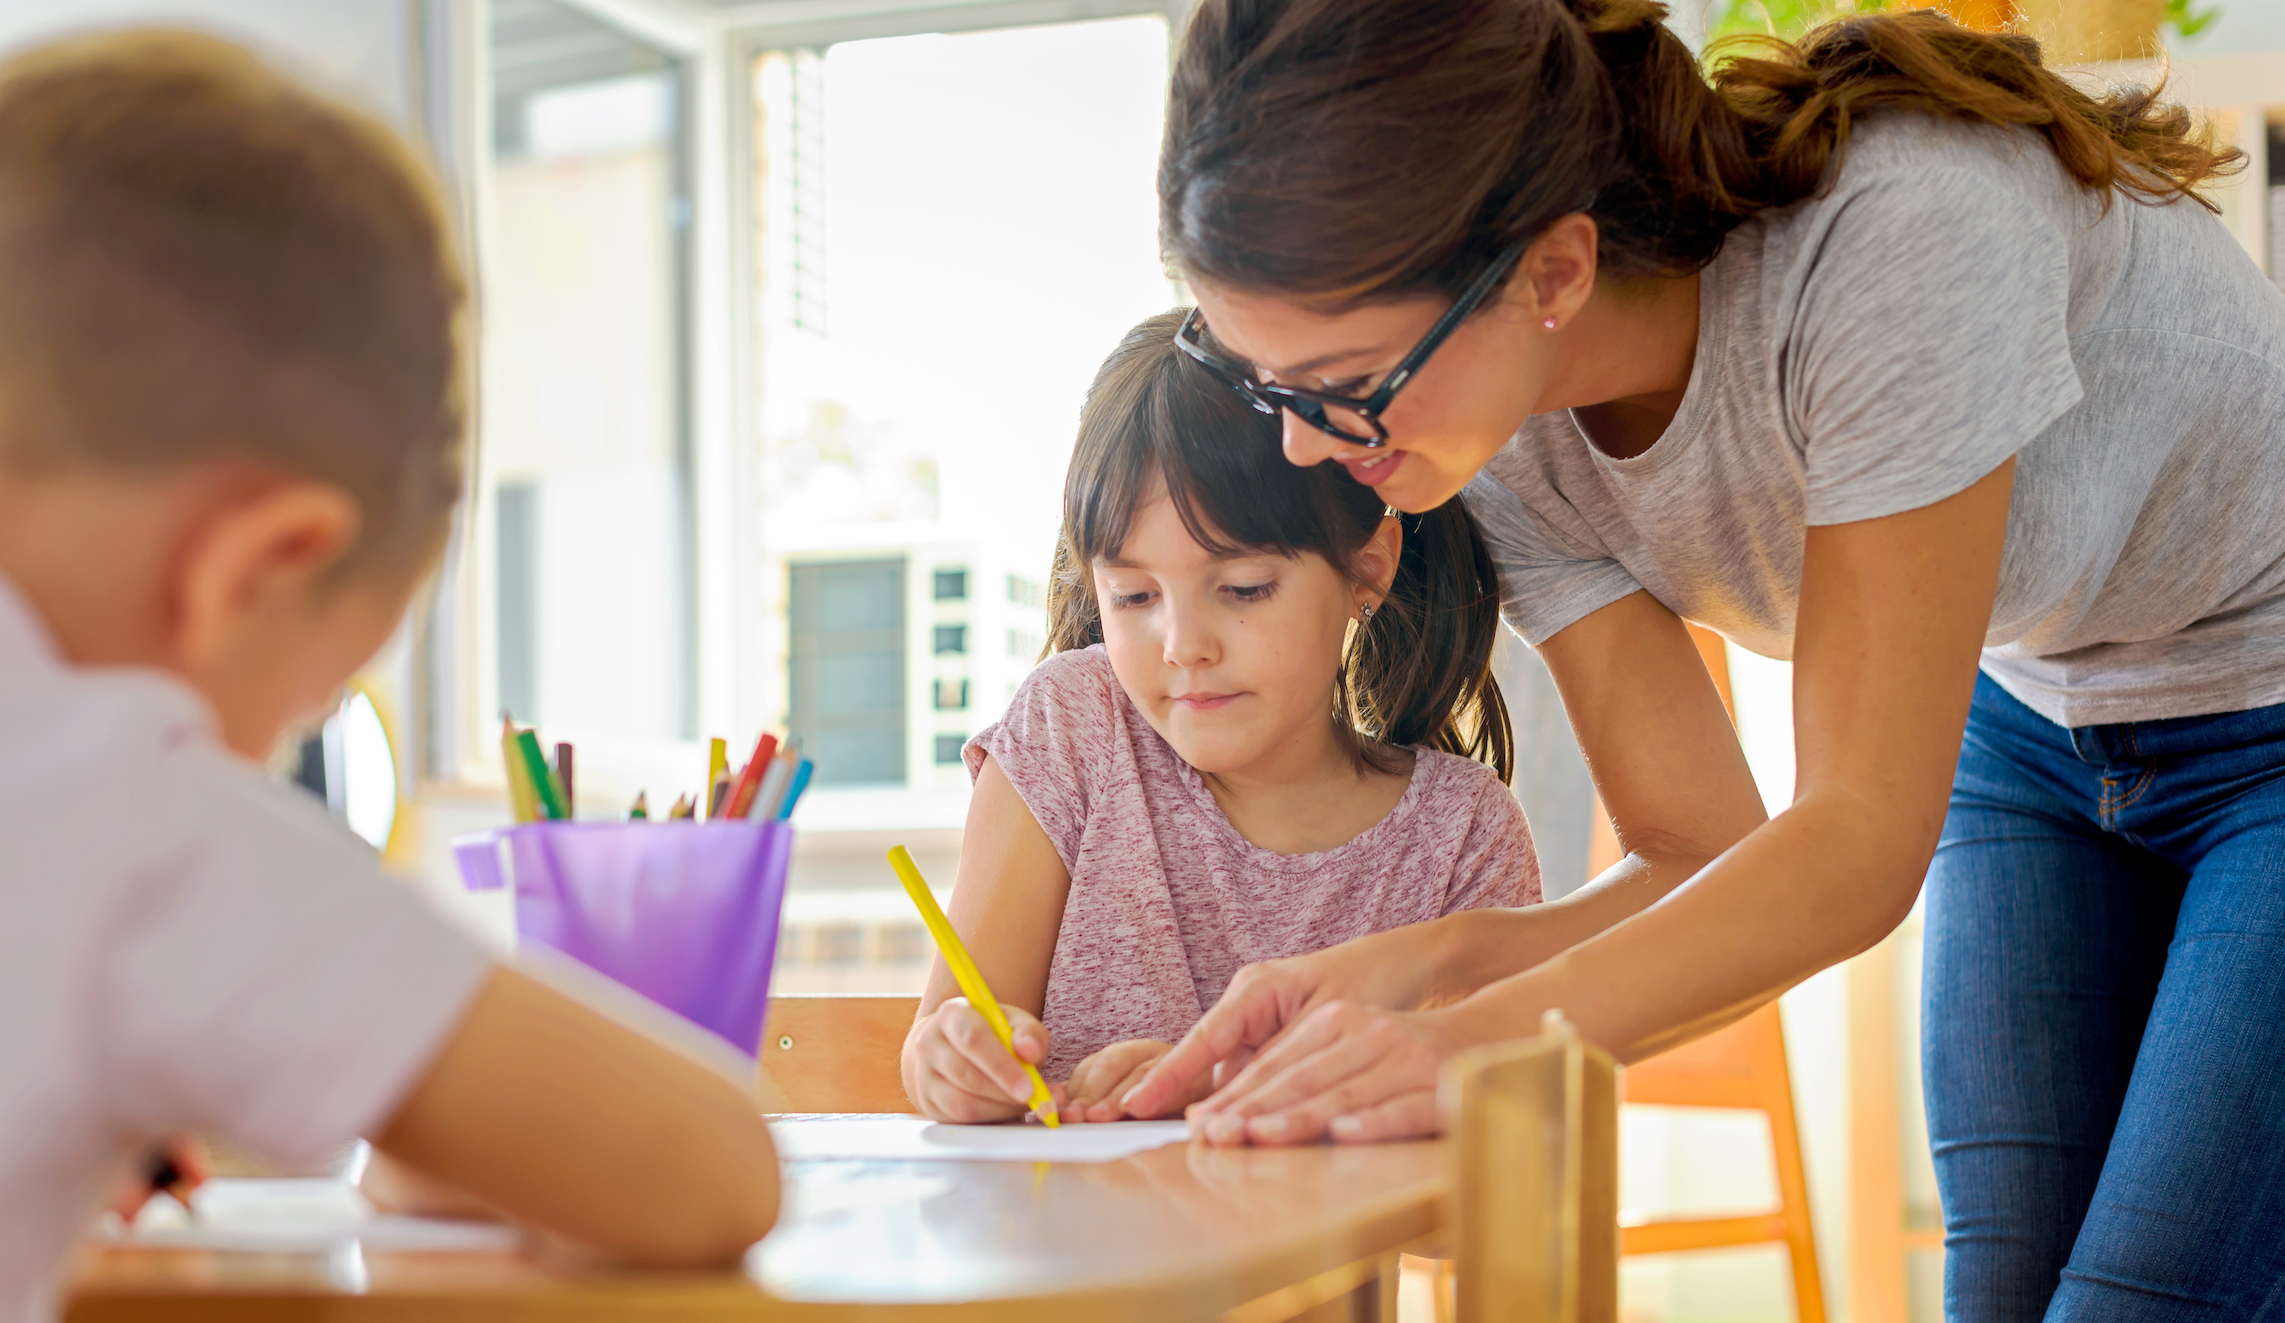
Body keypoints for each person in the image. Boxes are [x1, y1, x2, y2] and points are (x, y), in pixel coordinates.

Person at [1116, 0, 2285, 1316]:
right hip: (2033, 719)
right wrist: (1432, 970)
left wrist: (1475, 1043)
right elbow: (1699, 847)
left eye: (1344, 383)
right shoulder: (1499, 445)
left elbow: (1854, 840)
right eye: (1271, 383)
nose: (1305, 447)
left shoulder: (1900, 235)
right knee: (2004, 1290)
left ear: (1551, 273)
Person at [0, 32, 778, 1320]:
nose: (258, 766)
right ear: (252, 571)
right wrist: (429, 1111)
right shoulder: (122, 804)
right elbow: (707, 1171)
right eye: (292, 716)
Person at [899, 311, 1540, 1124]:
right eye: (1134, 596)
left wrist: (1219, 1091)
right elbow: (946, 1041)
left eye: (1242, 589)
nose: (1183, 646)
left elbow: (1505, 1133)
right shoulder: (1072, 727)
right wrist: (948, 1062)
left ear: (1366, 570)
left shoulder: (1463, 833)